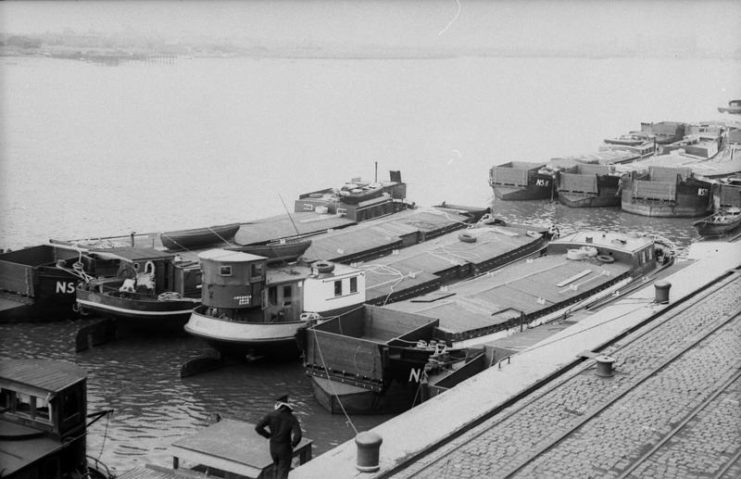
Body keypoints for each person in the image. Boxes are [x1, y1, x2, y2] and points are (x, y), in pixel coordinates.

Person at [255, 394, 302, 479]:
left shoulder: (271, 415)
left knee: (276, 467)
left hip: (273, 446)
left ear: (278, 405)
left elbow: (258, 427)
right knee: (283, 471)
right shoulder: (291, 418)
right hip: (285, 447)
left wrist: (268, 435)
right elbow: (298, 435)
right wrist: (293, 444)